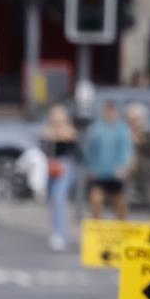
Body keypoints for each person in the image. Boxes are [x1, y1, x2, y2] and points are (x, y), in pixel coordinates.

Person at [82, 99, 133, 220]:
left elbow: (126, 150)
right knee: (96, 201)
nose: (110, 114)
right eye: (107, 111)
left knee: (120, 203)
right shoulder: (96, 129)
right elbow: (89, 149)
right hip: (99, 172)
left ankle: (121, 227)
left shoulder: (122, 129)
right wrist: (90, 168)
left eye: (112, 111)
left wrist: (124, 167)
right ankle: (97, 228)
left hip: (116, 173)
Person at [42, 104, 78, 252]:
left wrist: (58, 132)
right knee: (52, 199)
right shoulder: (48, 129)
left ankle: (60, 234)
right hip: (51, 166)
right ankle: (55, 230)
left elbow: (68, 138)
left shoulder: (69, 130)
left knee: (59, 197)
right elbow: (45, 138)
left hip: (65, 166)